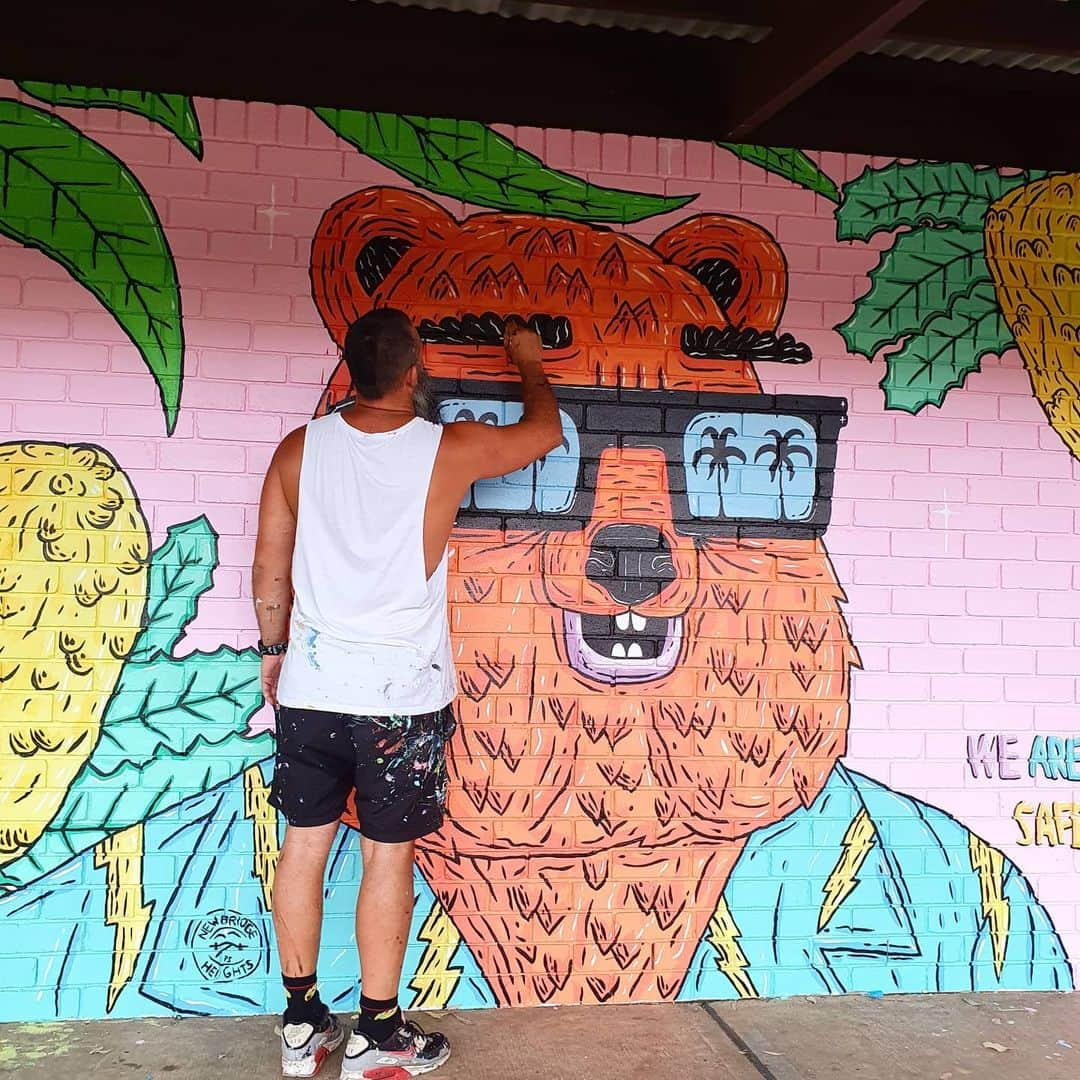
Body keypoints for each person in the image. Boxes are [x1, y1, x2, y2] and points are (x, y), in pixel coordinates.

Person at [252, 309, 561, 1078]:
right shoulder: (446, 448)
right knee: (386, 858)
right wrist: (525, 357)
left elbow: (269, 567)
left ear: (352, 367)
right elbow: (544, 432)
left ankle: (301, 1021)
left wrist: (273, 651)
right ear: (414, 371)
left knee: (304, 845)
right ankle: (378, 1033)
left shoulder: (299, 449)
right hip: (401, 698)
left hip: (312, 688)